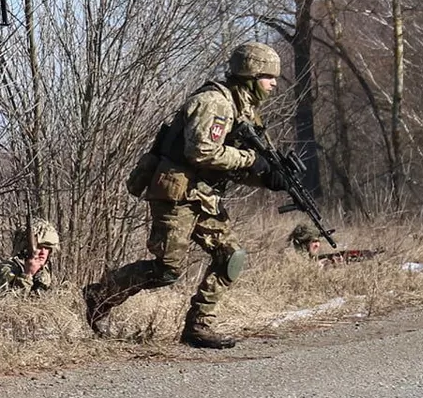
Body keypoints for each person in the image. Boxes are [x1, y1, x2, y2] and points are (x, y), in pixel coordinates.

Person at [84, 41, 290, 349]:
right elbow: (202, 152)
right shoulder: (214, 103)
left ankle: (198, 327)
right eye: (268, 76)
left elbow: (229, 166)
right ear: (249, 75)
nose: (274, 83)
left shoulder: (245, 110)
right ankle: (100, 295)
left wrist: (268, 179)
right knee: (168, 270)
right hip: (176, 194)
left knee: (231, 256)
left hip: (203, 196)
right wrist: (251, 160)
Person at [0, 219, 60, 297]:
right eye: (39, 247)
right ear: (25, 249)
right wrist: (27, 275)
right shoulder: (7, 271)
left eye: (47, 248)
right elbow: (2, 304)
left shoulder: (46, 272)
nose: (43, 252)